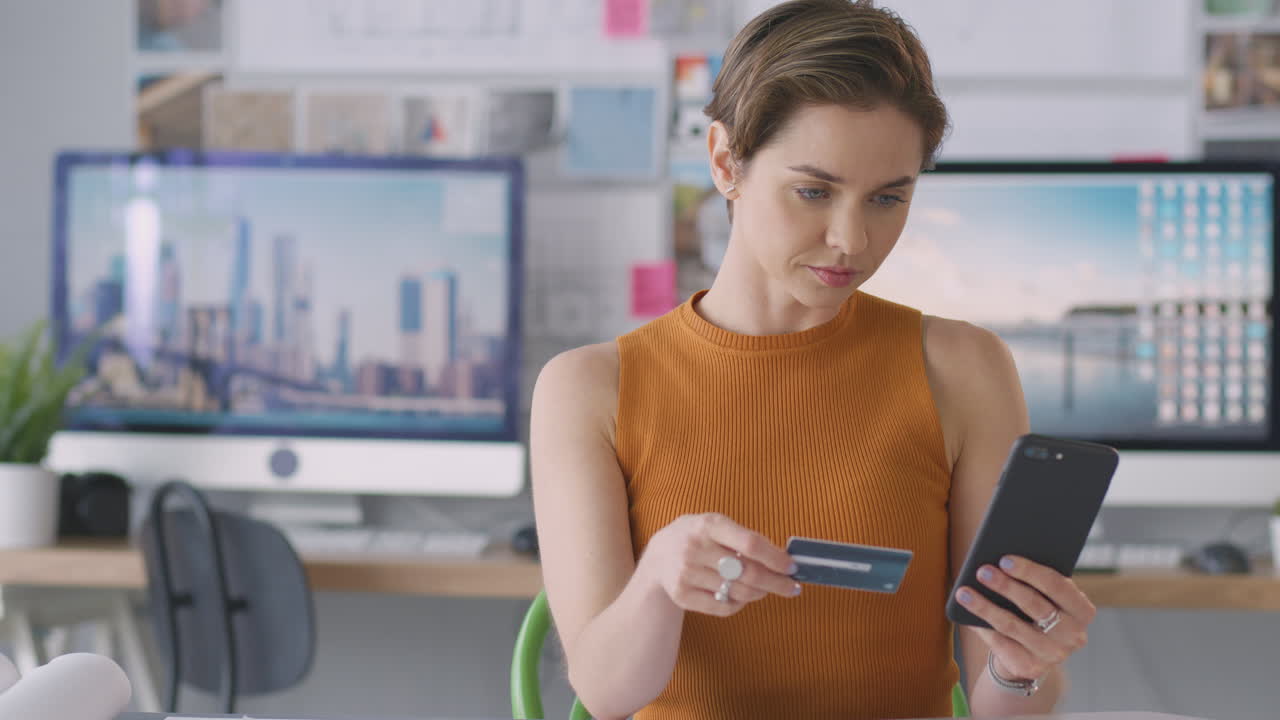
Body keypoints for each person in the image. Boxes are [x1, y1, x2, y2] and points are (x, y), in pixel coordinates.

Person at [530, 2, 1096, 718]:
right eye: (813, 191)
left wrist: (1019, 669)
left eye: (889, 197)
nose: (851, 240)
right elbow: (607, 694)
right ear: (725, 162)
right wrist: (658, 580)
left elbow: (1000, 704)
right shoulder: (587, 390)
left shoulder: (964, 369)